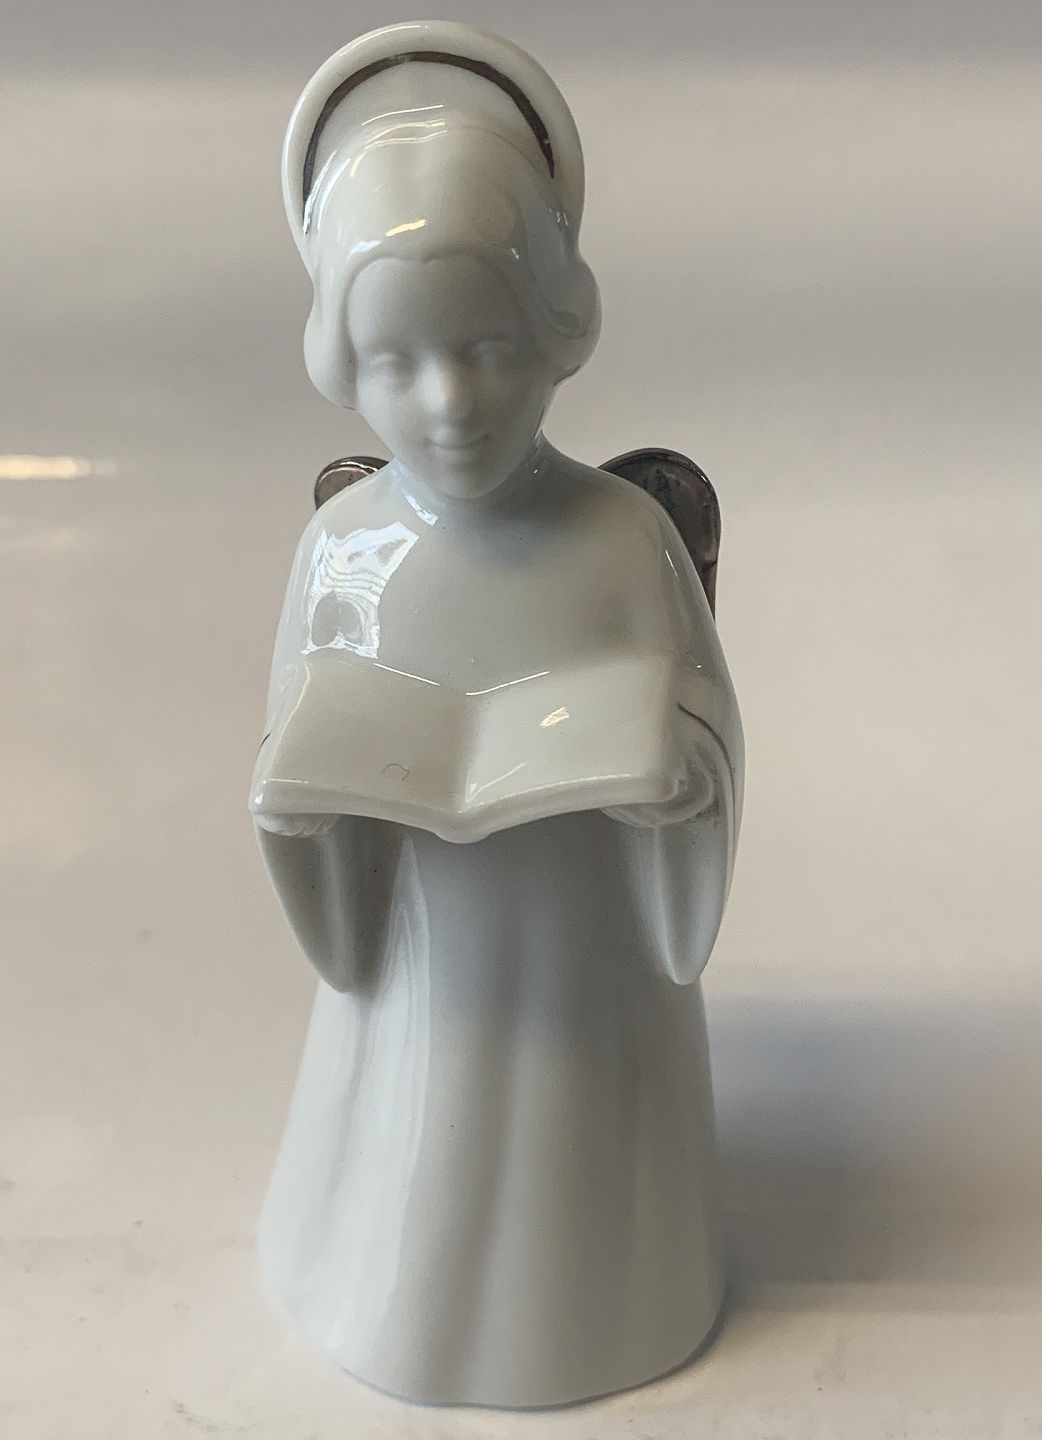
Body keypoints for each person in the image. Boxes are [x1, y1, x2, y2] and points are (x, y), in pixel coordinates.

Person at [251, 21, 744, 1409]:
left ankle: (607, 1298)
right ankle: (377, 1275)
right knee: (416, 1125)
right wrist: (297, 806)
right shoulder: (344, 547)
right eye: (398, 362)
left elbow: (709, 725)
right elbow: (294, 727)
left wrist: (680, 773)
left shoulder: (622, 538)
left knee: (576, 1160)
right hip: (423, 944)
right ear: (342, 363)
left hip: (583, 947)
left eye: (486, 347)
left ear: (556, 330)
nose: (450, 403)